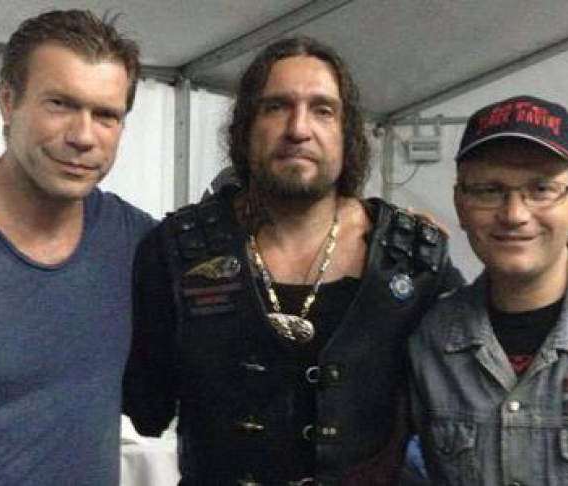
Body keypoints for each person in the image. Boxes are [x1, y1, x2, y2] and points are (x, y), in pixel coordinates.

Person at [123, 36, 463, 485]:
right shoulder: (174, 252)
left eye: (322, 110)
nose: (298, 129)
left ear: (347, 134)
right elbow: (146, 410)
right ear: (246, 128)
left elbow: (463, 411)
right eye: (276, 106)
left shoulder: (413, 261)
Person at [0, 10, 155, 484]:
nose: (83, 136)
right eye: (60, 104)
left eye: (106, 115)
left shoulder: (137, 242)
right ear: (8, 101)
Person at [408, 95, 568, 484]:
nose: (514, 214)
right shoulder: (432, 339)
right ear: (460, 204)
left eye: (541, 189)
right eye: (488, 190)